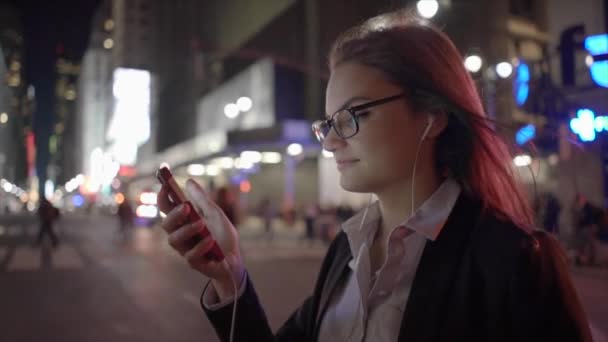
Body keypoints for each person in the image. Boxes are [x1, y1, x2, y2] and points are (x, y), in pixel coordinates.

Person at [158, 10, 592, 342]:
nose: (330, 141)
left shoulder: (514, 262)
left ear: (433, 115)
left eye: (353, 115)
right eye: (328, 123)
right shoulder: (348, 249)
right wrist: (228, 275)